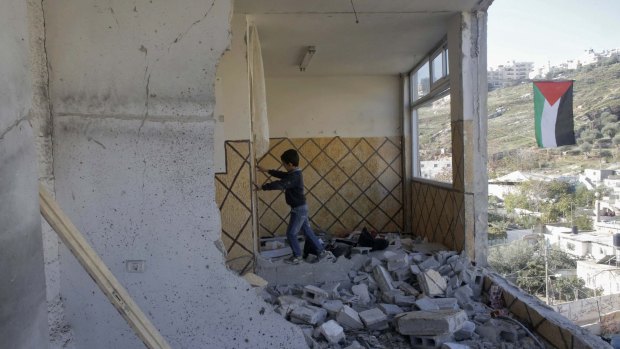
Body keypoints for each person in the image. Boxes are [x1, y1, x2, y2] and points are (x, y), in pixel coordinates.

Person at [255, 149, 330, 264]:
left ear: (290, 164)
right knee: (307, 231)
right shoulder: (293, 173)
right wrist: (266, 170)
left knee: (291, 233)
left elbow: (281, 184)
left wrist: (263, 187)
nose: (283, 166)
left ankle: (297, 256)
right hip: (301, 207)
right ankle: (321, 252)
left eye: (284, 164)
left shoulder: (294, 177)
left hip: (299, 209)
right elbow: (282, 175)